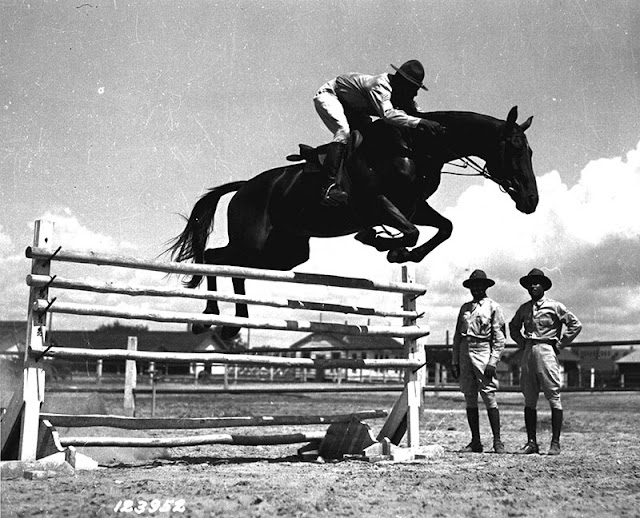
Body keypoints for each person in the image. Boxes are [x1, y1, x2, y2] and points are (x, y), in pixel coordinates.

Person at [313, 59, 444, 206]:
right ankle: (328, 187)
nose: (415, 93)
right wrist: (421, 123)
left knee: (368, 134)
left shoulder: (401, 91)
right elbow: (388, 115)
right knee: (343, 132)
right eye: (413, 88)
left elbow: (418, 115)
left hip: (353, 107)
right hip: (331, 95)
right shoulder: (380, 85)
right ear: (402, 82)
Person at [509, 268, 582, 456]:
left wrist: (560, 343)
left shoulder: (555, 307)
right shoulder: (524, 308)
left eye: (537, 283)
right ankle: (531, 442)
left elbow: (575, 324)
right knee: (529, 396)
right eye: (530, 283)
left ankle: (555, 443)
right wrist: (522, 342)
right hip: (528, 352)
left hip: (547, 350)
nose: (533, 286)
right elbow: (513, 326)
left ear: (544, 286)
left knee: (553, 395)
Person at [451, 269, 507, 454]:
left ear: (485, 287)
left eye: (479, 286)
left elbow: (499, 339)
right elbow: (457, 337)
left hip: (483, 351)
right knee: (469, 396)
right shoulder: (464, 308)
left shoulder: (493, 307)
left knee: (489, 395)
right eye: (473, 286)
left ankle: (497, 441)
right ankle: (476, 441)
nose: (476, 289)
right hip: (465, 352)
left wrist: (492, 361)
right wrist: (455, 361)